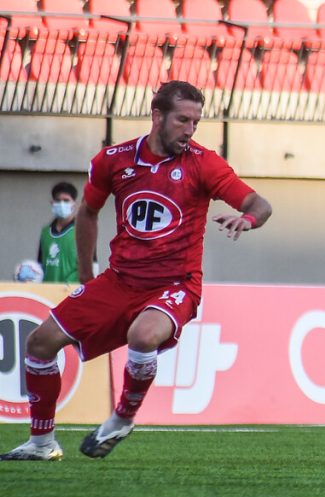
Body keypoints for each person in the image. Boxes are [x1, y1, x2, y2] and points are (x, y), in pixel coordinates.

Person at [0, 81, 272, 461]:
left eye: (196, 121)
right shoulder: (114, 160)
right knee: (39, 344)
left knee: (143, 336)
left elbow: (259, 202)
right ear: (157, 115)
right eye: (183, 120)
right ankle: (42, 444)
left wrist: (247, 218)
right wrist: (85, 276)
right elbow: (89, 212)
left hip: (175, 283)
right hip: (119, 280)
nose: (190, 130)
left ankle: (122, 418)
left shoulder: (203, 163)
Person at [37, 182, 97, 283]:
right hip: (47, 292)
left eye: (66, 200)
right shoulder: (46, 232)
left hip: (72, 291)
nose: (61, 204)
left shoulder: (82, 231)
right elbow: (39, 265)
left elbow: (93, 265)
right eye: (58, 200)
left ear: (74, 204)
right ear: (52, 203)